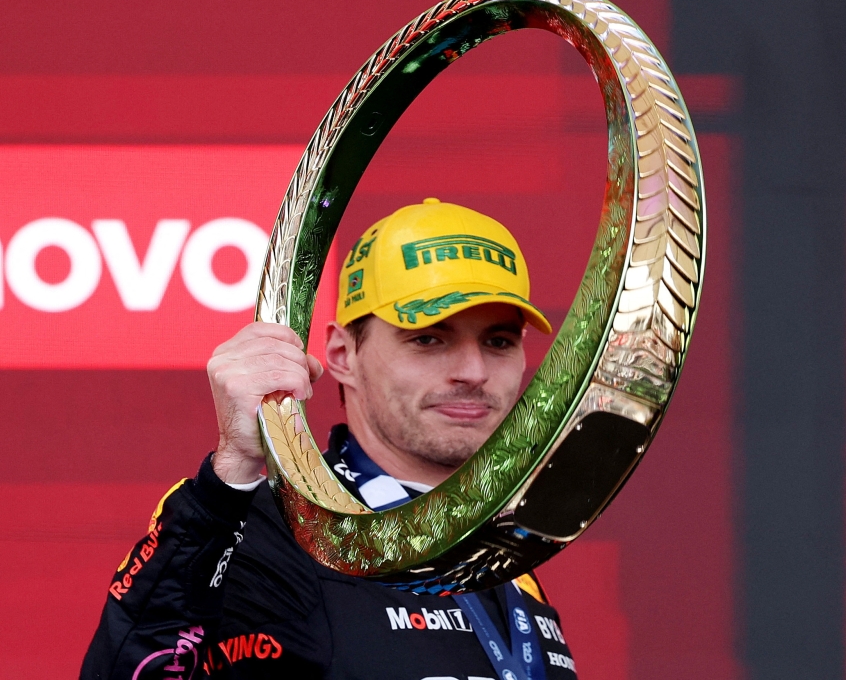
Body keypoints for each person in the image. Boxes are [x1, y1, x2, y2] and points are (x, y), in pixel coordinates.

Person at [81, 198, 579, 680]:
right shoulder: (277, 531)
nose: (473, 371)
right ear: (342, 355)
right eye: (428, 338)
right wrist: (230, 475)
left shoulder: (505, 554)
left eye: (498, 341)